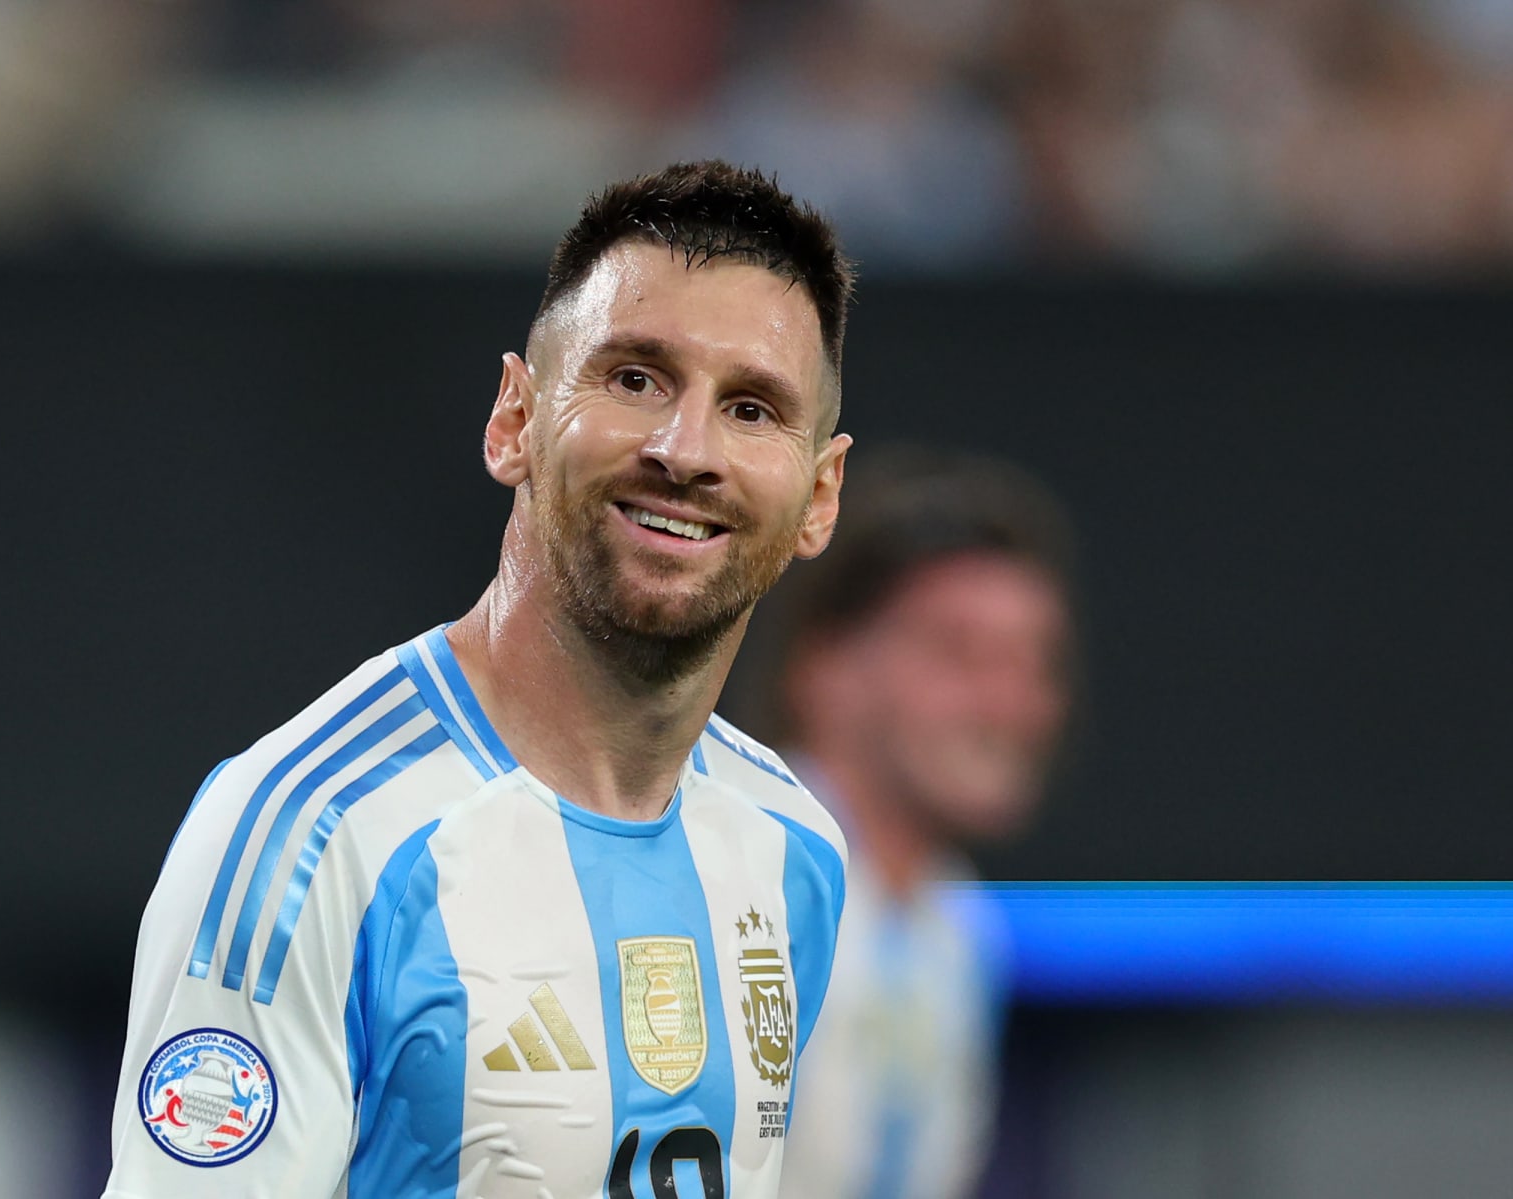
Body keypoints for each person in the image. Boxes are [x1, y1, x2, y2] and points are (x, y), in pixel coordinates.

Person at [102, 161, 855, 1199]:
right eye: (635, 378)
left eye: (754, 408)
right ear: (516, 419)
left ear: (818, 496)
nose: (686, 450)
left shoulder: (793, 847)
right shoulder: (309, 836)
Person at [748, 445, 1077, 1199]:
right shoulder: (731, 876)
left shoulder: (961, 931)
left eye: (1036, 663)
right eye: (959, 653)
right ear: (824, 667)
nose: (1011, 707)